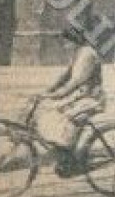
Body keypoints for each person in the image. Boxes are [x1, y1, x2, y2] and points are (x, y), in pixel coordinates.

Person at [42, 22, 105, 176]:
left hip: (91, 99)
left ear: (74, 40)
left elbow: (75, 81)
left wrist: (58, 95)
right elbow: (65, 75)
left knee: (68, 119)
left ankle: (74, 161)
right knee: (52, 115)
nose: (64, 45)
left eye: (66, 41)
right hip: (80, 97)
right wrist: (49, 89)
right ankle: (65, 155)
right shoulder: (77, 53)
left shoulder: (88, 55)